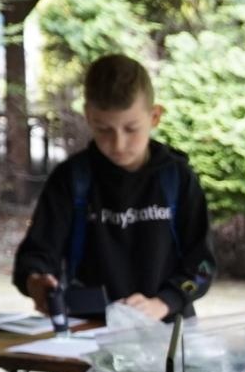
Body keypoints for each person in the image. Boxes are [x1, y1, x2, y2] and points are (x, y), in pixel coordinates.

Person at [12, 53, 215, 322]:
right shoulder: (71, 179)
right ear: (88, 117)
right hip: (90, 331)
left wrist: (164, 302)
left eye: (131, 129)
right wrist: (36, 281)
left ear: (154, 116)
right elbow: (35, 256)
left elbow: (202, 266)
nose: (118, 144)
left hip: (167, 330)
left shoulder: (177, 178)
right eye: (104, 129)